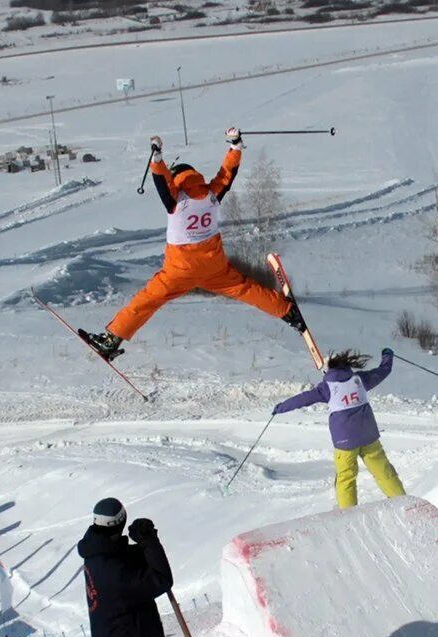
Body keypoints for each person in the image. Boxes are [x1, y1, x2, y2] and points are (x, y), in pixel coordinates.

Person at [80, 129, 306, 361]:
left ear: (177, 179)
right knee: (244, 288)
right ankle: (287, 312)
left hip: (180, 270)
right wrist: (235, 146)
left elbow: (161, 181)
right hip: (214, 266)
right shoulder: (212, 195)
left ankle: (111, 340)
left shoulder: (175, 200)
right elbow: (227, 174)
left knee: (146, 301)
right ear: (195, 175)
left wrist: (157, 157)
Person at [272, 348, 406, 508]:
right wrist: (387, 356)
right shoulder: (360, 379)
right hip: (369, 436)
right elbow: (383, 371)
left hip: (345, 441)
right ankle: (402, 501)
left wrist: (281, 407)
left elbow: (303, 399)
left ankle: (348, 512)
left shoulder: (327, 387)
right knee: (383, 471)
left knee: (346, 478)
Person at [77, 497, 173, 637]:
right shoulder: (115, 574)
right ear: (121, 522)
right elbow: (161, 578)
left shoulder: (96, 555)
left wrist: (145, 542)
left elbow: (127, 557)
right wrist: (149, 542)